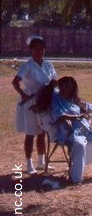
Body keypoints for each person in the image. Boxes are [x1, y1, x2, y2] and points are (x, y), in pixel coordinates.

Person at [33, 76, 92, 184]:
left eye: (70, 87)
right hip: (68, 132)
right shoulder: (55, 100)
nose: (67, 90)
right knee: (79, 145)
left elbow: (88, 108)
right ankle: (75, 179)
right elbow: (60, 116)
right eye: (65, 87)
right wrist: (77, 117)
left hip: (86, 130)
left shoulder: (74, 100)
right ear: (60, 87)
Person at [12, 35, 57, 174]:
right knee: (30, 133)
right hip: (31, 102)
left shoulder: (48, 65)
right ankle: (29, 164)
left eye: (41, 49)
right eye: (36, 49)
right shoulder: (27, 66)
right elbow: (15, 81)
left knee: (42, 132)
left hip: (45, 102)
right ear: (31, 50)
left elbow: (54, 80)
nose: (39, 51)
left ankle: (41, 162)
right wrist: (23, 94)